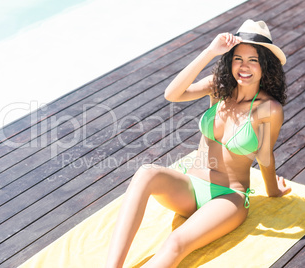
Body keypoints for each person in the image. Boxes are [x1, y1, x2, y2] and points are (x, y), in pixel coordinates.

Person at [106, 19, 292, 268]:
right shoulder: (219, 87)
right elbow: (172, 94)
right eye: (238, 58)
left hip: (228, 198)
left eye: (253, 60)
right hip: (190, 187)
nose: (244, 67)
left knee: (175, 243)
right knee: (145, 173)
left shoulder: (269, 109)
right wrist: (210, 52)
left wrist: (273, 190)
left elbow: (265, 155)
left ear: (265, 66)